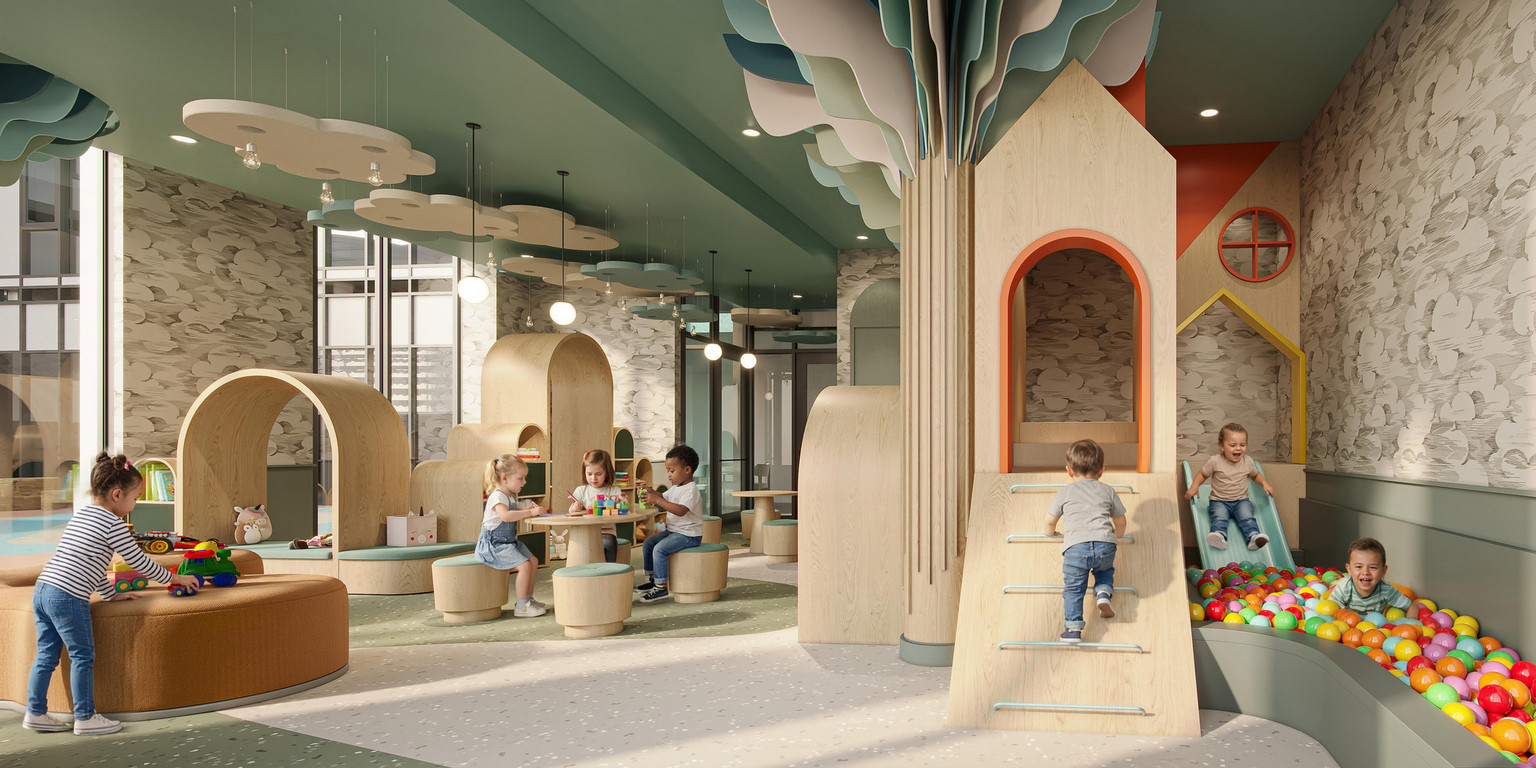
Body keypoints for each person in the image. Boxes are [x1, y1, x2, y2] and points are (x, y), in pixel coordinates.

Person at [26, 453, 203, 736]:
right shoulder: (113, 523)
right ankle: (85, 717)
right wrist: (174, 578)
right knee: (82, 656)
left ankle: (35, 713)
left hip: (44, 589)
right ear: (117, 494)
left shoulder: (82, 515)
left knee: (46, 655)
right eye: (135, 498)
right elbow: (138, 561)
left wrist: (109, 594)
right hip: (68, 596)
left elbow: (92, 563)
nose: (134, 504)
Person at [1042, 440, 1127, 644]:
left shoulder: (1065, 492)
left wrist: (1050, 533)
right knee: (1104, 571)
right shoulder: (1107, 490)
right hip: (1105, 545)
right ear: (1102, 470)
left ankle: (1073, 630)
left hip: (1076, 548)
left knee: (1074, 589)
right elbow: (1121, 520)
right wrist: (1117, 536)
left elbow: (1050, 520)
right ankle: (1104, 593)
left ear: (1069, 471)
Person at [1183, 423, 1275, 551]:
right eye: (1233, 445)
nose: (1238, 448)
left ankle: (1253, 537)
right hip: (1219, 501)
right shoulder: (1215, 461)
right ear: (1222, 446)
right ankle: (1219, 536)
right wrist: (1194, 486)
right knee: (1219, 517)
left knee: (1247, 516)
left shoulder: (1248, 461)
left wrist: (1265, 483)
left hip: (1241, 500)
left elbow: (1255, 475)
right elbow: (1203, 474)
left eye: (1242, 445)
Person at [476, 455, 547, 617]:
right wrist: (529, 512)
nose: (524, 482)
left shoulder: (508, 495)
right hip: (494, 544)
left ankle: (527, 599)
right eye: (520, 478)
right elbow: (506, 516)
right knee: (524, 566)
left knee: (533, 561)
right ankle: (521, 606)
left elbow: (514, 510)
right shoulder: (497, 496)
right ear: (504, 478)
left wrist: (528, 509)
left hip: (507, 542)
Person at [634, 444, 703, 604]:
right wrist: (650, 491)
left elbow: (680, 510)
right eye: (667, 471)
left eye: (672, 471)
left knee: (660, 549)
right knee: (649, 543)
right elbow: (663, 496)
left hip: (689, 535)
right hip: (674, 532)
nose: (669, 475)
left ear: (687, 470)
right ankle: (653, 579)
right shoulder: (676, 487)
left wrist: (657, 500)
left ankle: (661, 587)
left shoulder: (691, 490)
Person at [1324, 537, 1412, 613]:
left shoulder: (1386, 590)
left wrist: (1410, 623)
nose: (1365, 572)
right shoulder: (1344, 587)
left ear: (1383, 571)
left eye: (1372, 567)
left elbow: (1412, 607)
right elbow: (1330, 610)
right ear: (1349, 569)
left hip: (1375, 627)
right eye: (1359, 567)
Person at [568, 449, 625, 563]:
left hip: (606, 531)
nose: (593, 478)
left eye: (598, 474)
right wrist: (575, 508)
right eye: (589, 474)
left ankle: (609, 571)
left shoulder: (614, 490)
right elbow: (571, 511)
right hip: (585, 533)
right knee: (578, 547)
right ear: (584, 472)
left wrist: (621, 503)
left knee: (608, 543)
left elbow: (623, 509)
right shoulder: (581, 491)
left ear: (607, 472)